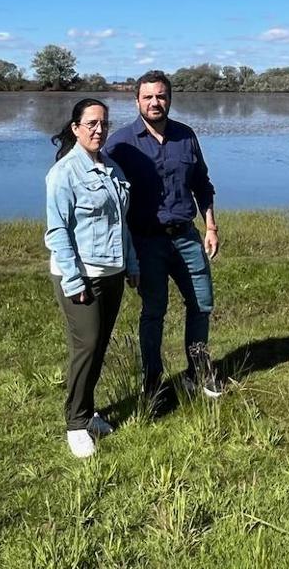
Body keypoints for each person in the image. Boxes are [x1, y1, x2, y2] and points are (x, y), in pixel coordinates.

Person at [106, 70, 223, 401]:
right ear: (137, 101)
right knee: (154, 311)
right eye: (148, 97)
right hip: (146, 241)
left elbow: (202, 183)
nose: (155, 102)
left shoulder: (186, 136)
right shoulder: (122, 143)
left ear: (169, 99)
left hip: (186, 236)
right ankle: (153, 380)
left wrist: (210, 226)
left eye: (161, 96)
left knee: (201, 303)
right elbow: (108, 195)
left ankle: (197, 371)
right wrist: (124, 253)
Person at [44, 98, 139, 458]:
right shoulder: (63, 174)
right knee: (86, 345)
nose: (99, 130)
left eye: (104, 124)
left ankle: (87, 411)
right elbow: (57, 232)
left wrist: (131, 265)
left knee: (99, 346)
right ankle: (75, 423)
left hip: (113, 272)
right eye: (91, 124)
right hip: (81, 274)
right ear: (76, 128)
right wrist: (74, 280)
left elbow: (122, 225)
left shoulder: (113, 169)